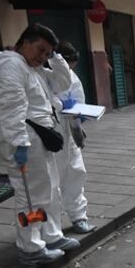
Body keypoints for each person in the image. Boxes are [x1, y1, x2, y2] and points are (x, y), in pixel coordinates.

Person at [0, 23, 80, 266]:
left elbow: (62, 82)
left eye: (47, 53)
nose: (43, 56)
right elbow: (11, 106)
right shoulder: (12, 65)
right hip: (25, 137)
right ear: (24, 43)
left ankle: (49, 236)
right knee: (29, 196)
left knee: (47, 191)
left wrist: (55, 56)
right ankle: (30, 247)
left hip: (37, 137)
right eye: (40, 49)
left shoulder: (32, 68)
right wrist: (19, 143)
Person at [51, 42, 96, 235]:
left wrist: (80, 119)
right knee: (52, 181)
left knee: (76, 173)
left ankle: (79, 217)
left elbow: (79, 100)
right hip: (49, 134)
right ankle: (50, 227)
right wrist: (59, 105)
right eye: (69, 64)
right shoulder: (43, 75)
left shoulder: (72, 77)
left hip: (68, 133)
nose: (70, 69)